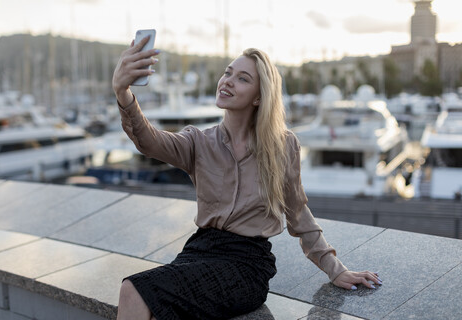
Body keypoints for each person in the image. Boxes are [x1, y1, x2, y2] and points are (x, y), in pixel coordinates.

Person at [113, 36, 381, 320]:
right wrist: (123, 93)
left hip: (247, 264)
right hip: (199, 250)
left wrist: (336, 269)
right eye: (227, 73)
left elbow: (298, 214)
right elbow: (148, 141)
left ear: (258, 96)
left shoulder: (283, 146)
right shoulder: (198, 142)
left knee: (133, 289)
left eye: (242, 78)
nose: (227, 81)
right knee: (153, 309)